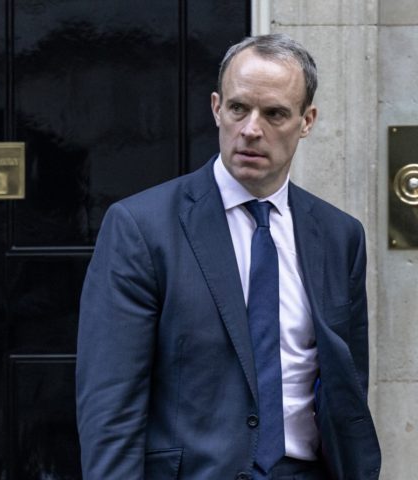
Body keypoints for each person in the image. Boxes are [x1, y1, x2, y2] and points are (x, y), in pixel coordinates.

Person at [75, 33, 381, 479]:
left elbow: (349, 387)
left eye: (275, 113)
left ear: (307, 120)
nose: (251, 129)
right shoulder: (141, 227)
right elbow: (110, 406)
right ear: (217, 107)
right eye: (239, 108)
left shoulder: (340, 236)